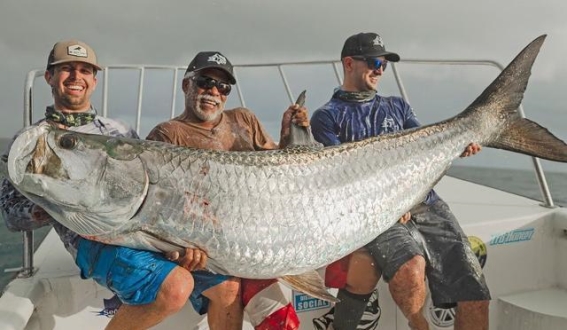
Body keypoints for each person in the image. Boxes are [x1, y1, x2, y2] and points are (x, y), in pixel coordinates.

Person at [0, 40, 241, 330]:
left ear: (94, 80)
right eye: (67, 69)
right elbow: (12, 218)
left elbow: (154, 190)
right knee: (176, 287)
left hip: (142, 230)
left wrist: (180, 240)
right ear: (50, 77)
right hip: (93, 239)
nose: (77, 77)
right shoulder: (33, 143)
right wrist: (53, 201)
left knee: (228, 286)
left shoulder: (121, 131)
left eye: (85, 70)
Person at [310, 32, 491, 330]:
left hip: (424, 201)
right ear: (349, 63)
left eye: (384, 63)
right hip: (376, 212)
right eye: (374, 62)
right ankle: (419, 325)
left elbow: (424, 151)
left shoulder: (398, 107)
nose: (380, 69)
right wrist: (393, 204)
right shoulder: (326, 117)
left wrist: (457, 148)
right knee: (410, 269)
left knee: (474, 290)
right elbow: (339, 184)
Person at [146, 51, 309, 330]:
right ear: (187, 85)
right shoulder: (167, 134)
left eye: (223, 87)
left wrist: (287, 136)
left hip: (254, 244)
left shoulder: (244, 119)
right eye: (205, 82)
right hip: (207, 251)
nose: (213, 92)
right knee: (228, 290)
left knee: (282, 323)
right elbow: (161, 206)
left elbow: (278, 174)